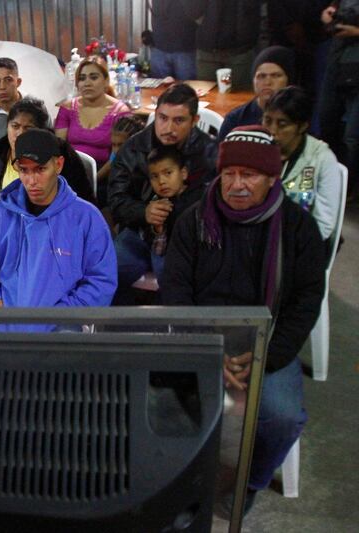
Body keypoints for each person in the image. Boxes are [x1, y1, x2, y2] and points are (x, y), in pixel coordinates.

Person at [162, 126, 326, 512]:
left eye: (249, 175)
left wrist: (263, 357)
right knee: (164, 403)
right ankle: (182, 479)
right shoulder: (194, 220)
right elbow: (176, 290)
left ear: (272, 178)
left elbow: (305, 302)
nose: (236, 184)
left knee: (280, 417)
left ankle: (245, 480)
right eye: (229, 173)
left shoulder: (298, 228)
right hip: (202, 337)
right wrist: (206, 350)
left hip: (267, 342)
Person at [0, 129, 117, 331]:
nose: (31, 180)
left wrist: (64, 313)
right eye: (24, 170)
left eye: (40, 169)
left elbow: (101, 280)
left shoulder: (87, 218)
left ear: (59, 165)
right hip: (5, 323)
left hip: (64, 327)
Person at [108, 83, 217, 295]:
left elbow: (214, 204)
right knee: (105, 275)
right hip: (139, 232)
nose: (168, 128)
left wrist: (172, 215)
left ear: (194, 121)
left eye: (179, 120)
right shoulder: (133, 147)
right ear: (155, 114)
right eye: (163, 118)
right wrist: (144, 212)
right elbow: (115, 200)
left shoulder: (210, 153)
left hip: (189, 239)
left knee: (178, 287)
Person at [0, 97, 93, 214]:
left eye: (28, 128)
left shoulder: (60, 152)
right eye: (15, 126)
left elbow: (82, 200)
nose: (20, 134)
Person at [263, 86, 343, 241]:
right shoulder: (256, 148)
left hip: (301, 242)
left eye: (282, 124)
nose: (272, 130)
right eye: (267, 120)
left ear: (303, 126)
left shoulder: (322, 159)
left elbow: (324, 224)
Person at [142, 145, 204, 281]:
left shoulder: (200, 199)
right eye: (154, 176)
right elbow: (157, 249)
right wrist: (158, 229)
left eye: (168, 173)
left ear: (183, 173)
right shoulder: (156, 203)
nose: (161, 181)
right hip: (169, 256)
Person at [55, 58, 131, 165]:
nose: (87, 83)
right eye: (82, 78)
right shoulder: (67, 108)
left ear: (106, 81)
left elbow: (119, 157)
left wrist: (94, 178)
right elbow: (59, 149)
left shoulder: (120, 112)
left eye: (93, 77)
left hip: (107, 174)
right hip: (71, 171)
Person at [319, 1, 359, 197]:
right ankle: (331, 180)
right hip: (338, 60)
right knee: (326, 121)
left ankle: (347, 188)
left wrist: (356, 32)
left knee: (352, 136)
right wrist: (331, 12)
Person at [219, 46, 297, 141]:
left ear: (288, 80)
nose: (267, 82)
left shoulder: (297, 117)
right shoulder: (236, 119)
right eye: (261, 76)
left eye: (276, 76)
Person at [188, 0, 261, 90]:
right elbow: (191, 7)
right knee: (207, 95)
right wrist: (203, 20)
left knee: (239, 95)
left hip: (239, 49)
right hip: (208, 48)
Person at [148, 0, 197, 81]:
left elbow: (196, 12)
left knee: (186, 89)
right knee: (158, 89)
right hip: (160, 45)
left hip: (185, 47)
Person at [96, 114, 146, 187]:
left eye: (121, 145)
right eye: (113, 145)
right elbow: (95, 179)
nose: (115, 150)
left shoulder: (144, 165)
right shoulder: (115, 157)